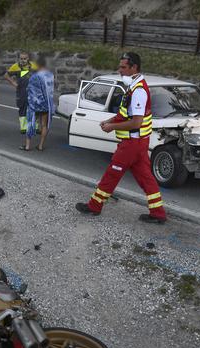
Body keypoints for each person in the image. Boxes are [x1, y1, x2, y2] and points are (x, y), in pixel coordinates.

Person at [76, 52, 167, 224]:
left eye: (123, 67)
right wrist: (110, 120)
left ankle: (94, 206)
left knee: (112, 174)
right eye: (120, 67)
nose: (120, 70)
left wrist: (111, 127)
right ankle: (158, 213)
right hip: (138, 143)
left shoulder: (139, 91)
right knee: (146, 178)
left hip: (132, 143)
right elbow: (124, 114)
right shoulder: (134, 86)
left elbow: (135, 123)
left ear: (134, 68)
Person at [21, 56, 54, 151]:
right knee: (44, 124)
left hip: (35, 104)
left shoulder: (35, 76)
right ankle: (40, 146)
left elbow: (30, 90)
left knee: (31, 123)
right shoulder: (51, 75)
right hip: (47, 104)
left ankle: (27, 146)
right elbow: (50, 90)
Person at [4, 52, 38, 134]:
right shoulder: (16, 66)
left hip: (33, 91)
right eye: (21, 59)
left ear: (28, 58)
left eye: (25, 58)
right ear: (19, 59)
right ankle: (23, 127)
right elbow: (6, 75)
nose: (23, 60)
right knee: (22, 109)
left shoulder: (34, 66)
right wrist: (14, 83)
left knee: (34, 109)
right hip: (21, 92)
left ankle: (34, 127)